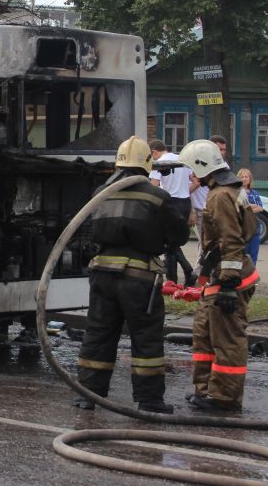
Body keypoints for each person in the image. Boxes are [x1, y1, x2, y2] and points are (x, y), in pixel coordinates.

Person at [74, 136, 189, 414]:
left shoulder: (101, 192)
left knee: (98, 334)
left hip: (102, 274)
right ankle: (149, 400)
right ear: (147, 163)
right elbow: (179, 235)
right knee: (146, 337)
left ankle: (87, 395)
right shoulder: (157, 196)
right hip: (139, 277)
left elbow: (86, 231)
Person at [178, 139, 259, 412]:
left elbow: (231, 241)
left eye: (192, 169)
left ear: (203, 167)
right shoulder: (228, 189)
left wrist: (228, 284)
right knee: (204, 334)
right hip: (218, 276)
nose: (190, 175)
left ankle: (224, 398)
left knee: (226, 339)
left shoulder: (221, 195)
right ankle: (207, 390)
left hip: (229, 280)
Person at [149, 139, 196, 285]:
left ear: (154, 152)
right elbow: (195, 181)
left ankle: (184, 273)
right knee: (173, 244)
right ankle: (175, 278)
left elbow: (153, 186)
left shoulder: (160, 164)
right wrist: (184, 192)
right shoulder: (181, 160)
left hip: (170, 203)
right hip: (185, 202)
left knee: (169, 243)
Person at [237, 168, 264, 263]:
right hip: (241, 228)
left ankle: (252, 276)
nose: (244, 179)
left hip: (254, 227)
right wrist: (251, 207)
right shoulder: (237, 192)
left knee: (253, 255)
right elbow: (238, 208)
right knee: (242, 254)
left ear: (250, 178)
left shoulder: (254, 193)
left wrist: (248, 208)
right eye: (242, 177)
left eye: (246, 177)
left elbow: (260, 207)